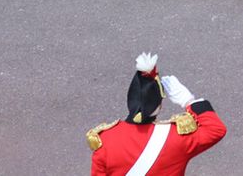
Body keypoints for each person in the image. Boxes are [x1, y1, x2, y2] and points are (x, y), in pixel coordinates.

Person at [86, 52, 226, 175]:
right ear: (159, 105)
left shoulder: (105, 139)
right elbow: (216, 130)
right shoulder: (175, 138)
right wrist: (189, 101)